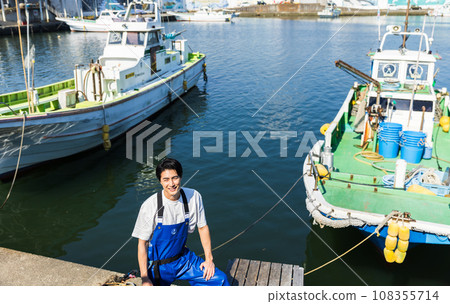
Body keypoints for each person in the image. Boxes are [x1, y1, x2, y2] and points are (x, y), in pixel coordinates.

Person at [132, 158, 229, 286]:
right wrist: (144, 278)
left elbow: (202, 227)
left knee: (220, 280)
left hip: (183, 259)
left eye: (175, 178)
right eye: (166, 179)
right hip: (158, 266)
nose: (171, 184)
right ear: (160, 181)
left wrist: (209, 259)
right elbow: (142, 244)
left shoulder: (194, 196)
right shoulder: (150, 205)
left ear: (181, 177)